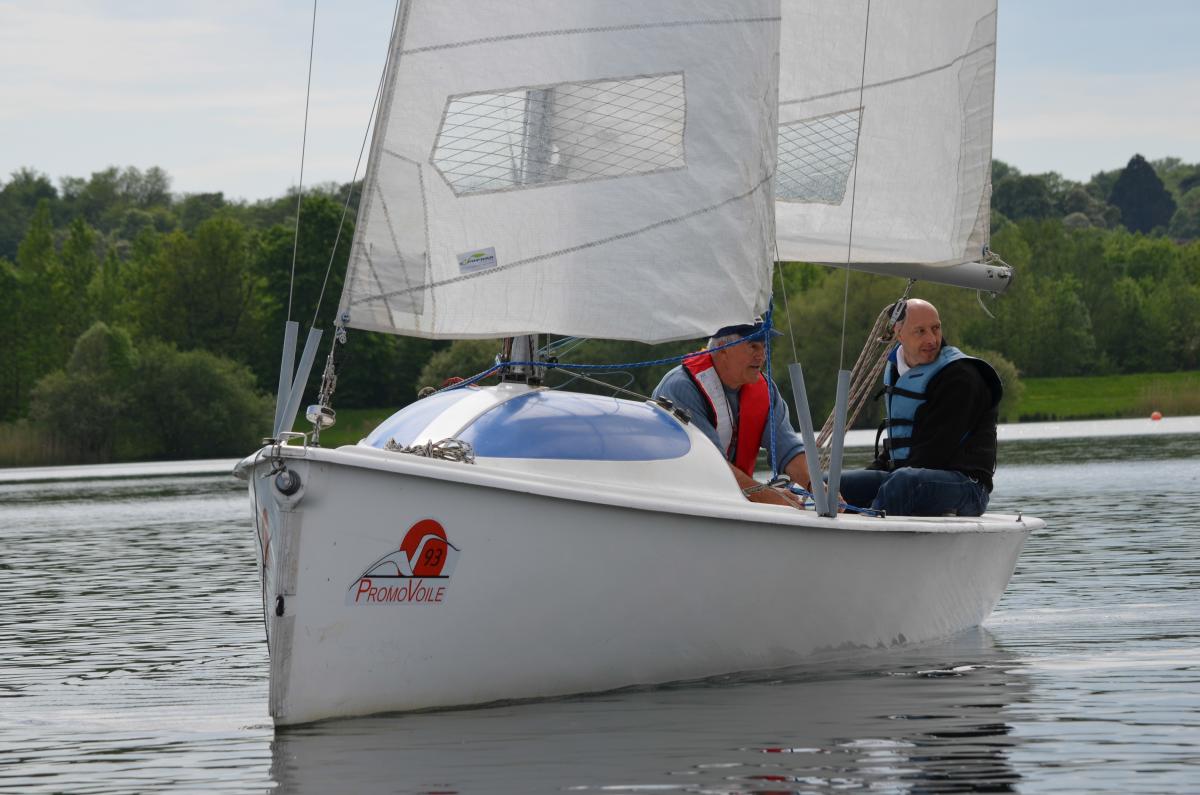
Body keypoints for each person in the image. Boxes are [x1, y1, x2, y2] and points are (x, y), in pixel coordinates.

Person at [840, 298, 1002, 517]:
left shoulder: (961, 377)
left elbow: (934, 453)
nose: (932, 339)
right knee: (830, 485)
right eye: (920, 331)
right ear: (899, 334)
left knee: (904, 482)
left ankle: (867, 528)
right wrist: (854, 489)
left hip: (967, 487)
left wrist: (872, 498)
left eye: (936, 328)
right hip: (906, 477)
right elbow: (899, 449)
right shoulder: (897, 370)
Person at [653, 319, 810, 509]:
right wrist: (768, 496)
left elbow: (788, 449)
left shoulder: (766, 391)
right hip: (679, 505)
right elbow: (711, 465)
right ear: (723, 349)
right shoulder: (681, 389)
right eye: (753, 346)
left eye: (764, 346)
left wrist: (817, 488)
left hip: (730, 505)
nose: (762, 356)